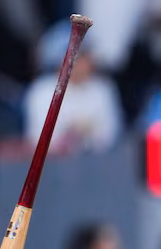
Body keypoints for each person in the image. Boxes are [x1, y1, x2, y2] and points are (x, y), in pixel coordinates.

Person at [23, 19, 124, 153]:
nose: (86, 63)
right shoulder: (41, 92)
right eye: (78, 56)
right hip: (53, 169)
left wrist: (80, 134)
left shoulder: (103, 89)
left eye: (86, 55)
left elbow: (110, 137)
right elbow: (41, 140)